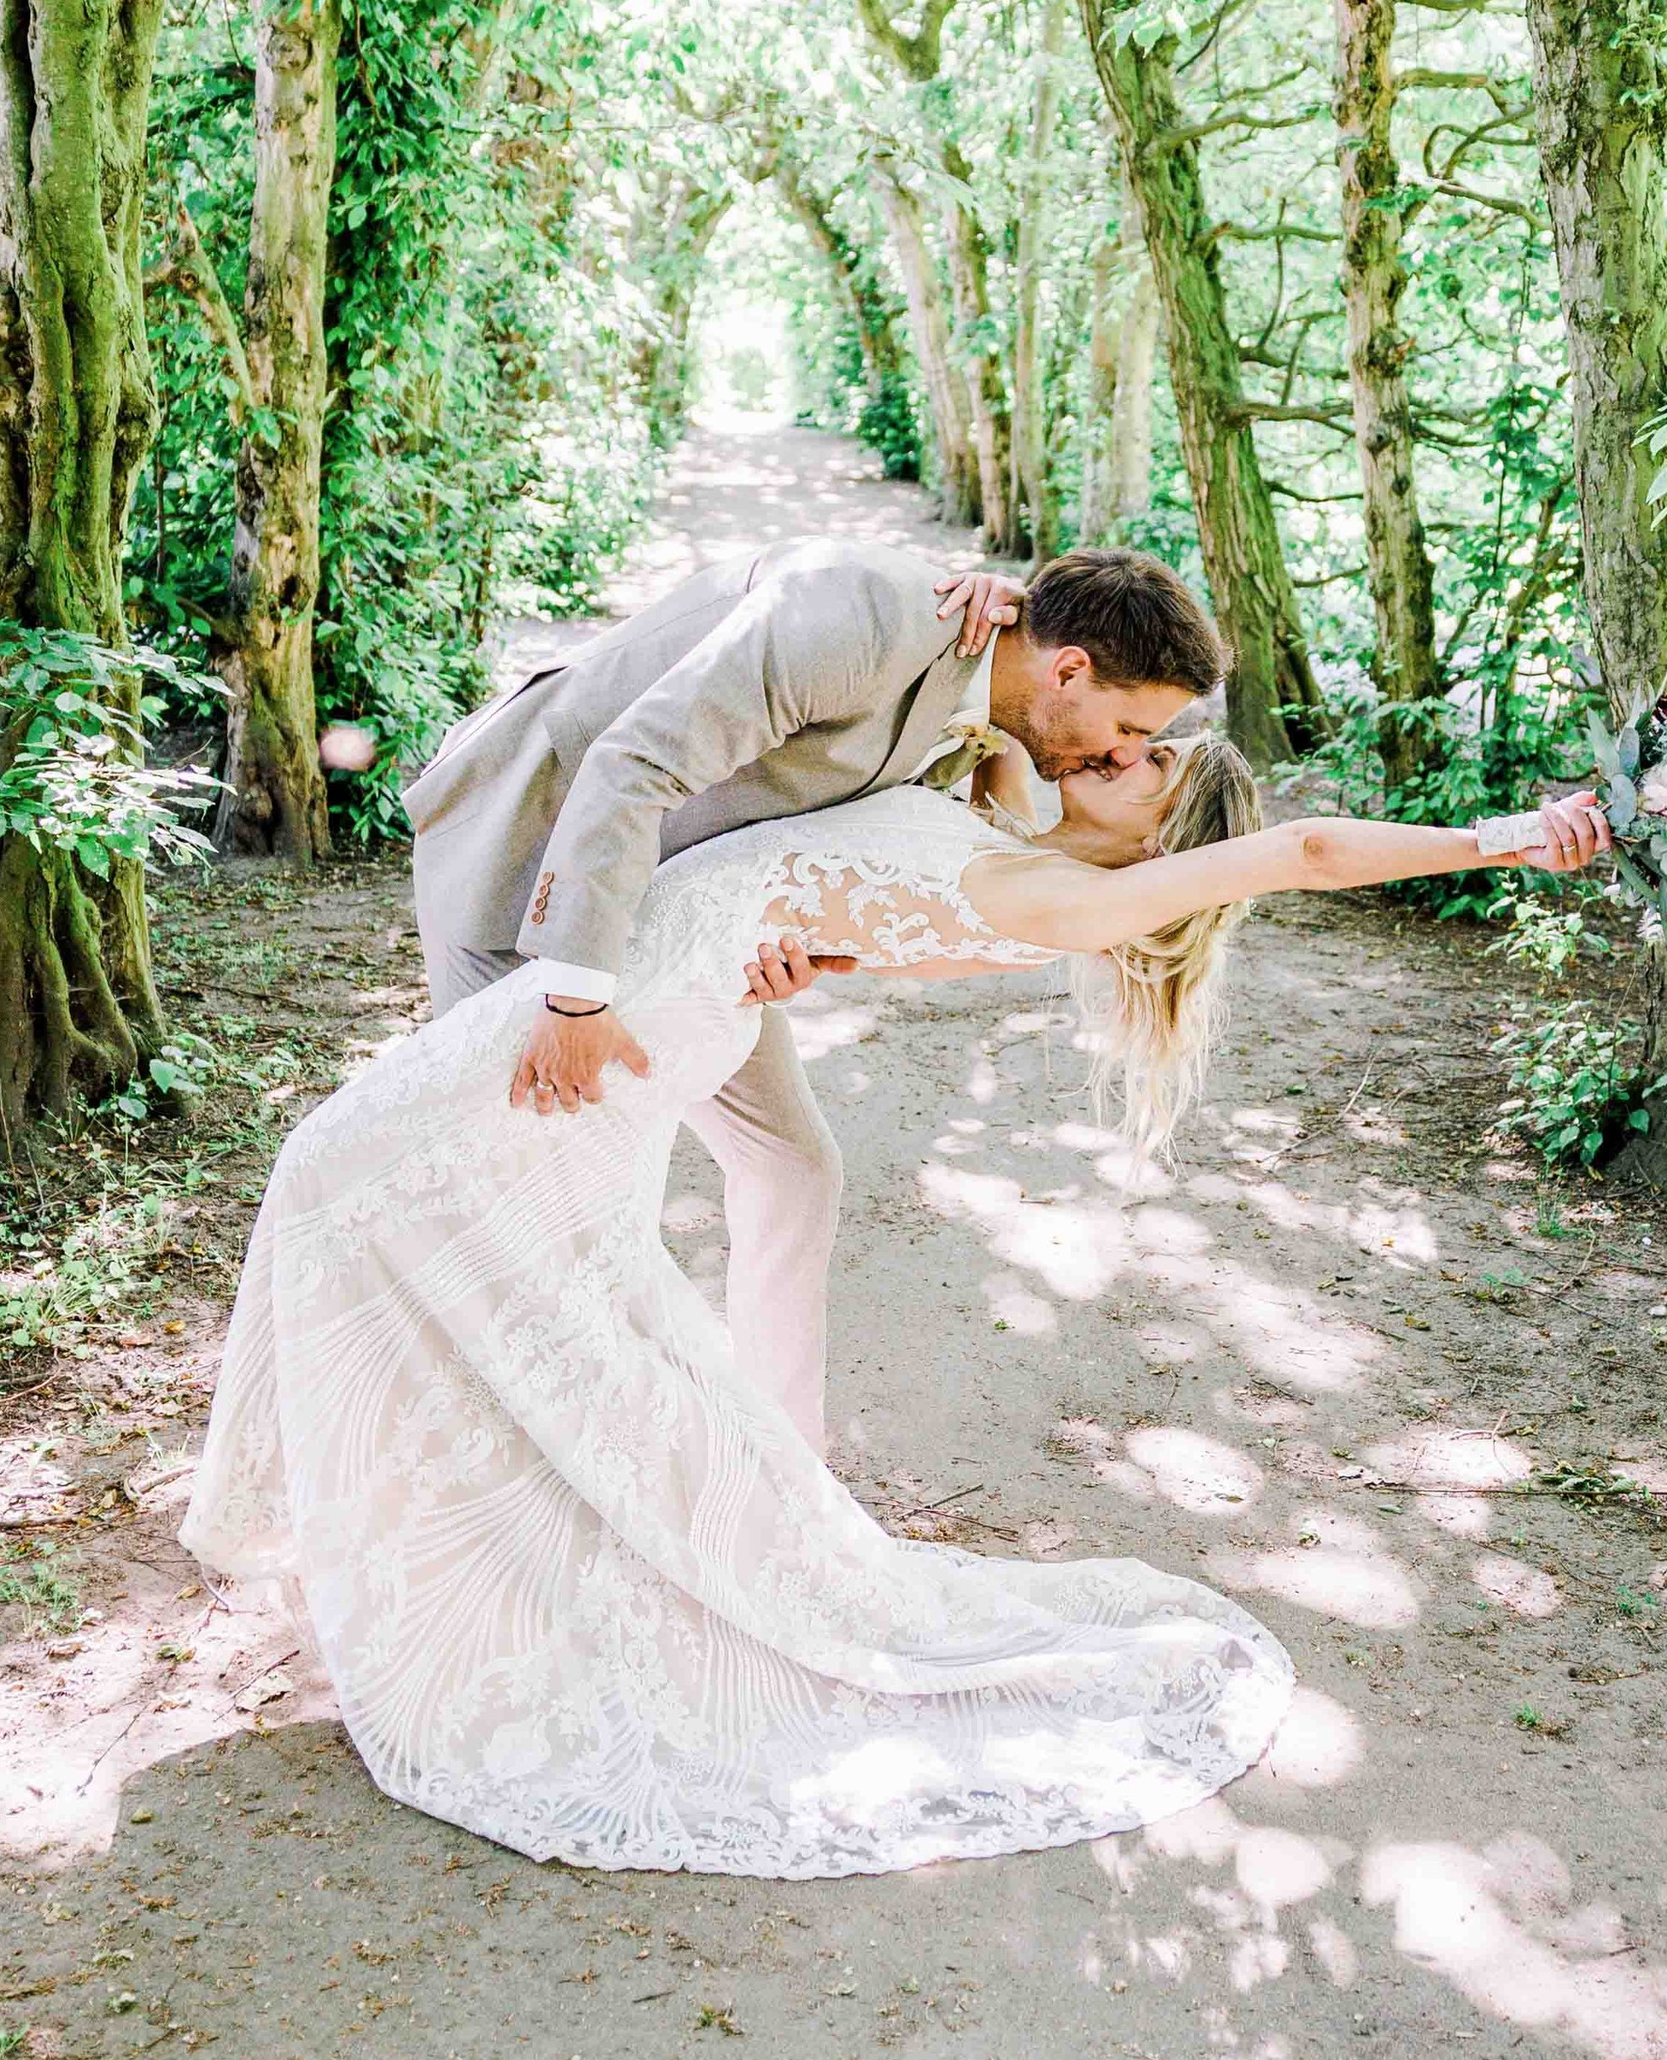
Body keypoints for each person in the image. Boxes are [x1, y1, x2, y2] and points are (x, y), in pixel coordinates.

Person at [185, 741, 1608, 1882]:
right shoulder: (1002, 816)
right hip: (651, 1010)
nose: (1128, 749)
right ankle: (475, 1561)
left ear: (1166, 848)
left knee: (371, 1198)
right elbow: (895, 812)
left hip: (625, 1032)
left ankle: (500, 1579)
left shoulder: (1064, 900)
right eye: (1138, 734)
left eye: (1154, 767)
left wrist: (1511, 838)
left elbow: (1299, 851)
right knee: (466, 1255)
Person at [402, 541, 1222, 1450]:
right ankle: (480, 1448)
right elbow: (630, 762)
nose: (1128, 751)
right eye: (1134, 727)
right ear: (1069, 669)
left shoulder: (991, 697)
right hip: (527, 857)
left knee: (791, 1168)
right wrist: (575, 1003)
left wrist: (803, 950)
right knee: (514, 1179)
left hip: (683, 916)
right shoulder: (868, 614)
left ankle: (782, 1462)